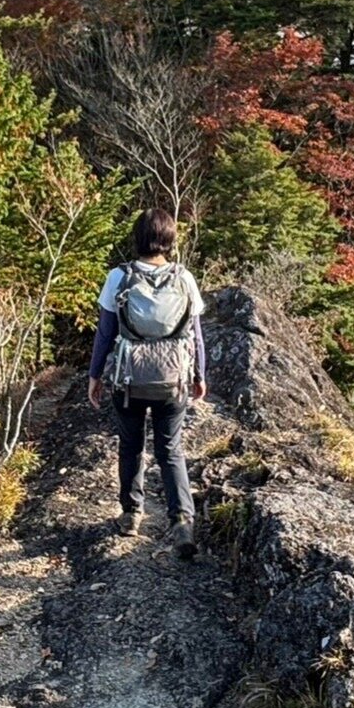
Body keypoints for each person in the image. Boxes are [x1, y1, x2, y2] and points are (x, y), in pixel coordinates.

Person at [86, 207, 206, 558]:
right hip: (173, 379)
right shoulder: (185, 279)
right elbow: (196, 335)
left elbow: (105, 332)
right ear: (169, 240)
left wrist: (95, 375)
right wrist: (200, 375)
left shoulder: (118, 278)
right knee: (170, 449)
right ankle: (182, 519)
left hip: (128, 379)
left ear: (137, 238)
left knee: (131, 445)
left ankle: (131, 514)